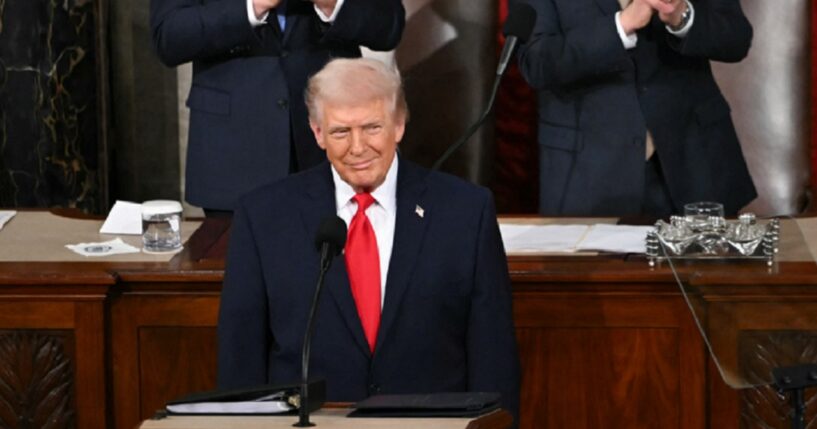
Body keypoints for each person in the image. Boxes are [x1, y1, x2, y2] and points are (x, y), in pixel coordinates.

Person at [217, 58, 520, 420]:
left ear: (399, 125)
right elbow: (241, 358)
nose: (358, 148)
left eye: (372, 127)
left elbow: (493, 354)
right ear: (316, 132)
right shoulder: (264, 216)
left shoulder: (466, 212)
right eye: (341, 132)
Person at [150, 0, 405, 216]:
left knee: (336, 272)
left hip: (331, 147)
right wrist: (254, 6)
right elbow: (169, 37)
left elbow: (389, 25)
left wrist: (332, 4)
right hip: (233, 155)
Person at [514, 0, 757, 217]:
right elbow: (537, 61)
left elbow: (736, 38)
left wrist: (681, 16)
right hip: (589, 174)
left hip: (695, 164)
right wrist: (622, 24)